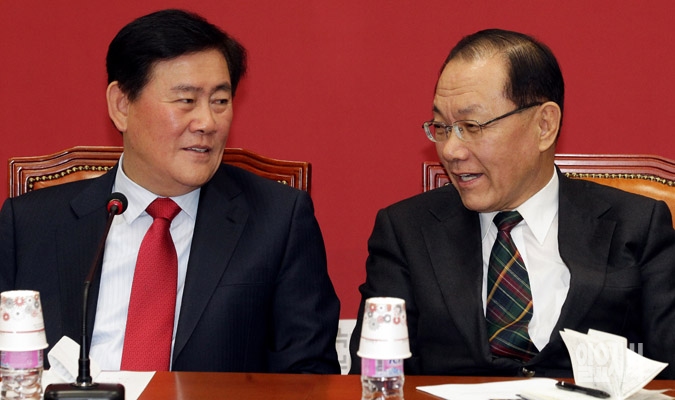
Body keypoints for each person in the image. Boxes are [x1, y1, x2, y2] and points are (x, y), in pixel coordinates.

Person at [0, 9, 341, 374]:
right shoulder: (30, 224)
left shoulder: (278, 221)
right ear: (121, 105)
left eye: (220, 101)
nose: (207, 122)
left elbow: (308, 377)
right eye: (186, 100)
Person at [349, 29, 675, 378]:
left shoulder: (636, 225)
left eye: (471, 126)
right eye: (442, 127)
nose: (451, 151)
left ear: (544, 126)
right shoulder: (406, 232)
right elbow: (375, 377)